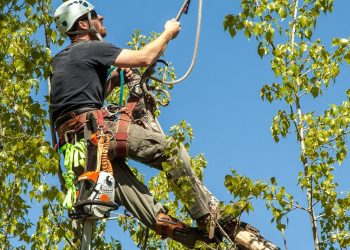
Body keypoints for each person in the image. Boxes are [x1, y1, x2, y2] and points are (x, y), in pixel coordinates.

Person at [51, 0, 256, 249]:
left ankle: (192, 239)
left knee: (139, 200)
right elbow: (145, 57)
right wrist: (168, 33)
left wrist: (113, 82)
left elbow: (80, 99)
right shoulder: (92, 48)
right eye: (94, 15)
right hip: (98, 133)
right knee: (172, 152)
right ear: (83, 24)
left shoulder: (61, 60)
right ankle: (206, 216)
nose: (101, 17)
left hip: (78, 152)